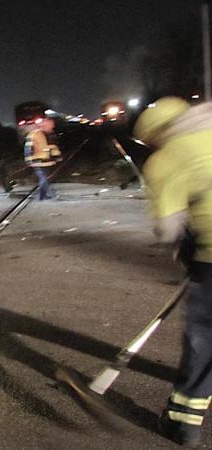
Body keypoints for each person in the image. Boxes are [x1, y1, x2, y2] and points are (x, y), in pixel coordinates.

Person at [134, 96, 212, 447]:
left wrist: (186, 247)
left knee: (204, 337)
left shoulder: (167, 158)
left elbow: (168, 227)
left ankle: (182, 423)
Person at [23, 118, 60, 200]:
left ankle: (46, 194)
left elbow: (43, 148)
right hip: (38, 161)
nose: (52, 128)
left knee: (45, 178)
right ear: (45, 125)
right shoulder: (36, 134)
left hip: (43, 161)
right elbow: (35, 148)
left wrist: (54, 157)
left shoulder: (40, 134)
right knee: (43, 178)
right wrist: (54, 148)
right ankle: (42, 195)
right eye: (51, 126)